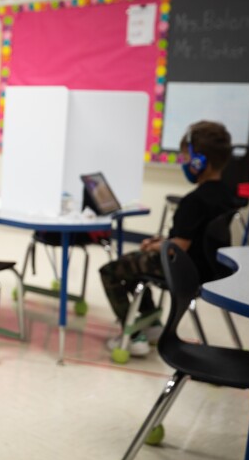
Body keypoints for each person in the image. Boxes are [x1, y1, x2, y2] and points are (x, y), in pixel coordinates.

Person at [99, 120, 239, 356]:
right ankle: (152, 325)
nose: (185, 164)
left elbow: (177, 248)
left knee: (112, 270)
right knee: (133, 265)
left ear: (199, 161)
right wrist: (160, 243)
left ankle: (132, 336)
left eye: (186, 159)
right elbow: (193, 236)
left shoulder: (193, 201)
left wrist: (155, 246)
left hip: (186, 272)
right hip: (210, 269)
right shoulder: (226, 194)